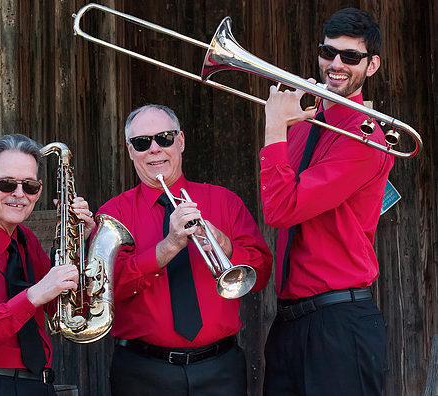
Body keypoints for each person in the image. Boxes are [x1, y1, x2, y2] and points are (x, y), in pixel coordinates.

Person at [259, 8, 394, 396]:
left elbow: (281, 209)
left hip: (339, 321)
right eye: (327, 52)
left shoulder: (367, 140)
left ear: (372, 66)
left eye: (350, 57)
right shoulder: (303, 122)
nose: (335, 64)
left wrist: (273, 126)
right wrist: (285, 126)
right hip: (289, 320)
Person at [95, 104, 272, 396]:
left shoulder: (224, 201)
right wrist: (169, 246)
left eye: (164, 138)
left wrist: (224, 245)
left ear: (181, 141)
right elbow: (106, 288)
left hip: (220, 369)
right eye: (142, 142)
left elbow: (261, 274)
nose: (154, 149)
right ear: (130, 150)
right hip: (142, 371)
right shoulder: (114, 214)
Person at [0, 134, 96, 396]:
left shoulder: (26, 241)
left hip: (36, 385)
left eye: (30, 186)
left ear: (39, 191)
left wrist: (78, 245)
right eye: (8, 184)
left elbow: (64, 307)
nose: (19, 194)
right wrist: (32, 295)